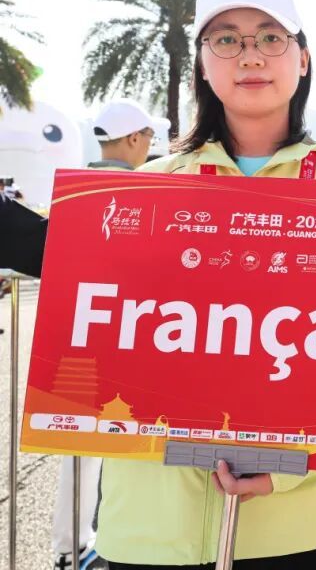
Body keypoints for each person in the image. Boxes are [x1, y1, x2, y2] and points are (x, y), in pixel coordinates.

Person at [96, 0, 316, 570]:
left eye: (270, 37)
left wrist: (290, 471)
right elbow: (96, 336)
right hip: (151, 521)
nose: (249, 55)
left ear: (303, 59)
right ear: (202, 63)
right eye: (225, 39)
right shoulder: (143, 191)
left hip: (298, 525)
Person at [53, 101, 168, 570]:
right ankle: (109, 544)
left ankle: (71, 546)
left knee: (78, 447)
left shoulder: (73, 190)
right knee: (125, 443)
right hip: (129, 336)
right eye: (150, 138)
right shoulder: (144, 192)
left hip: (77, 336)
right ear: (135, 139)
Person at [90, 99, 165, 171]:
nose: (150, 145)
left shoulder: (83, 176)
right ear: (134, 139)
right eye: (150, 137)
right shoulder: (146, 180)